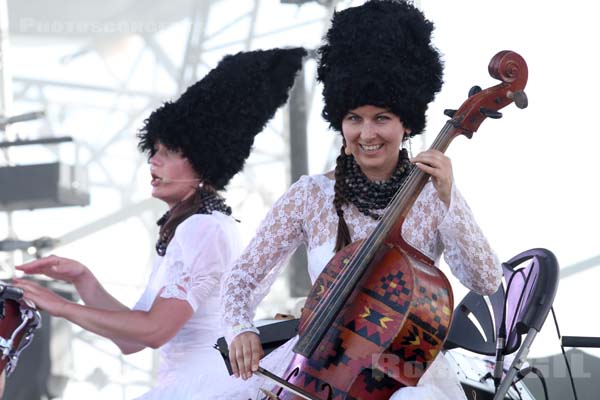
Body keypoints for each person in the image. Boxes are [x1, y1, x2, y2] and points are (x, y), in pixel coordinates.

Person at [221, 1, 503, 399]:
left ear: (407, 124)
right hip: (316, 366)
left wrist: (448, 199)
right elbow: (242, 278)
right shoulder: (309, 195)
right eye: (354, 117)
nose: (367, 133)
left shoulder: (434, 192)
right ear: (340, 121)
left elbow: (487, 280)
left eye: (382, 117)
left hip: (404, 374)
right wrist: (241, 329)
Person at [12, 47, 306, 399]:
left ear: (204, 163)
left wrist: (58, 305)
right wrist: (82, 279)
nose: (154, 161)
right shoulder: (193, 226)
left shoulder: (204, 228)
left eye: (168, 152)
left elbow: (153, 331)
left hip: (205, 388)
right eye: (153, 150)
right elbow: (129, 340)